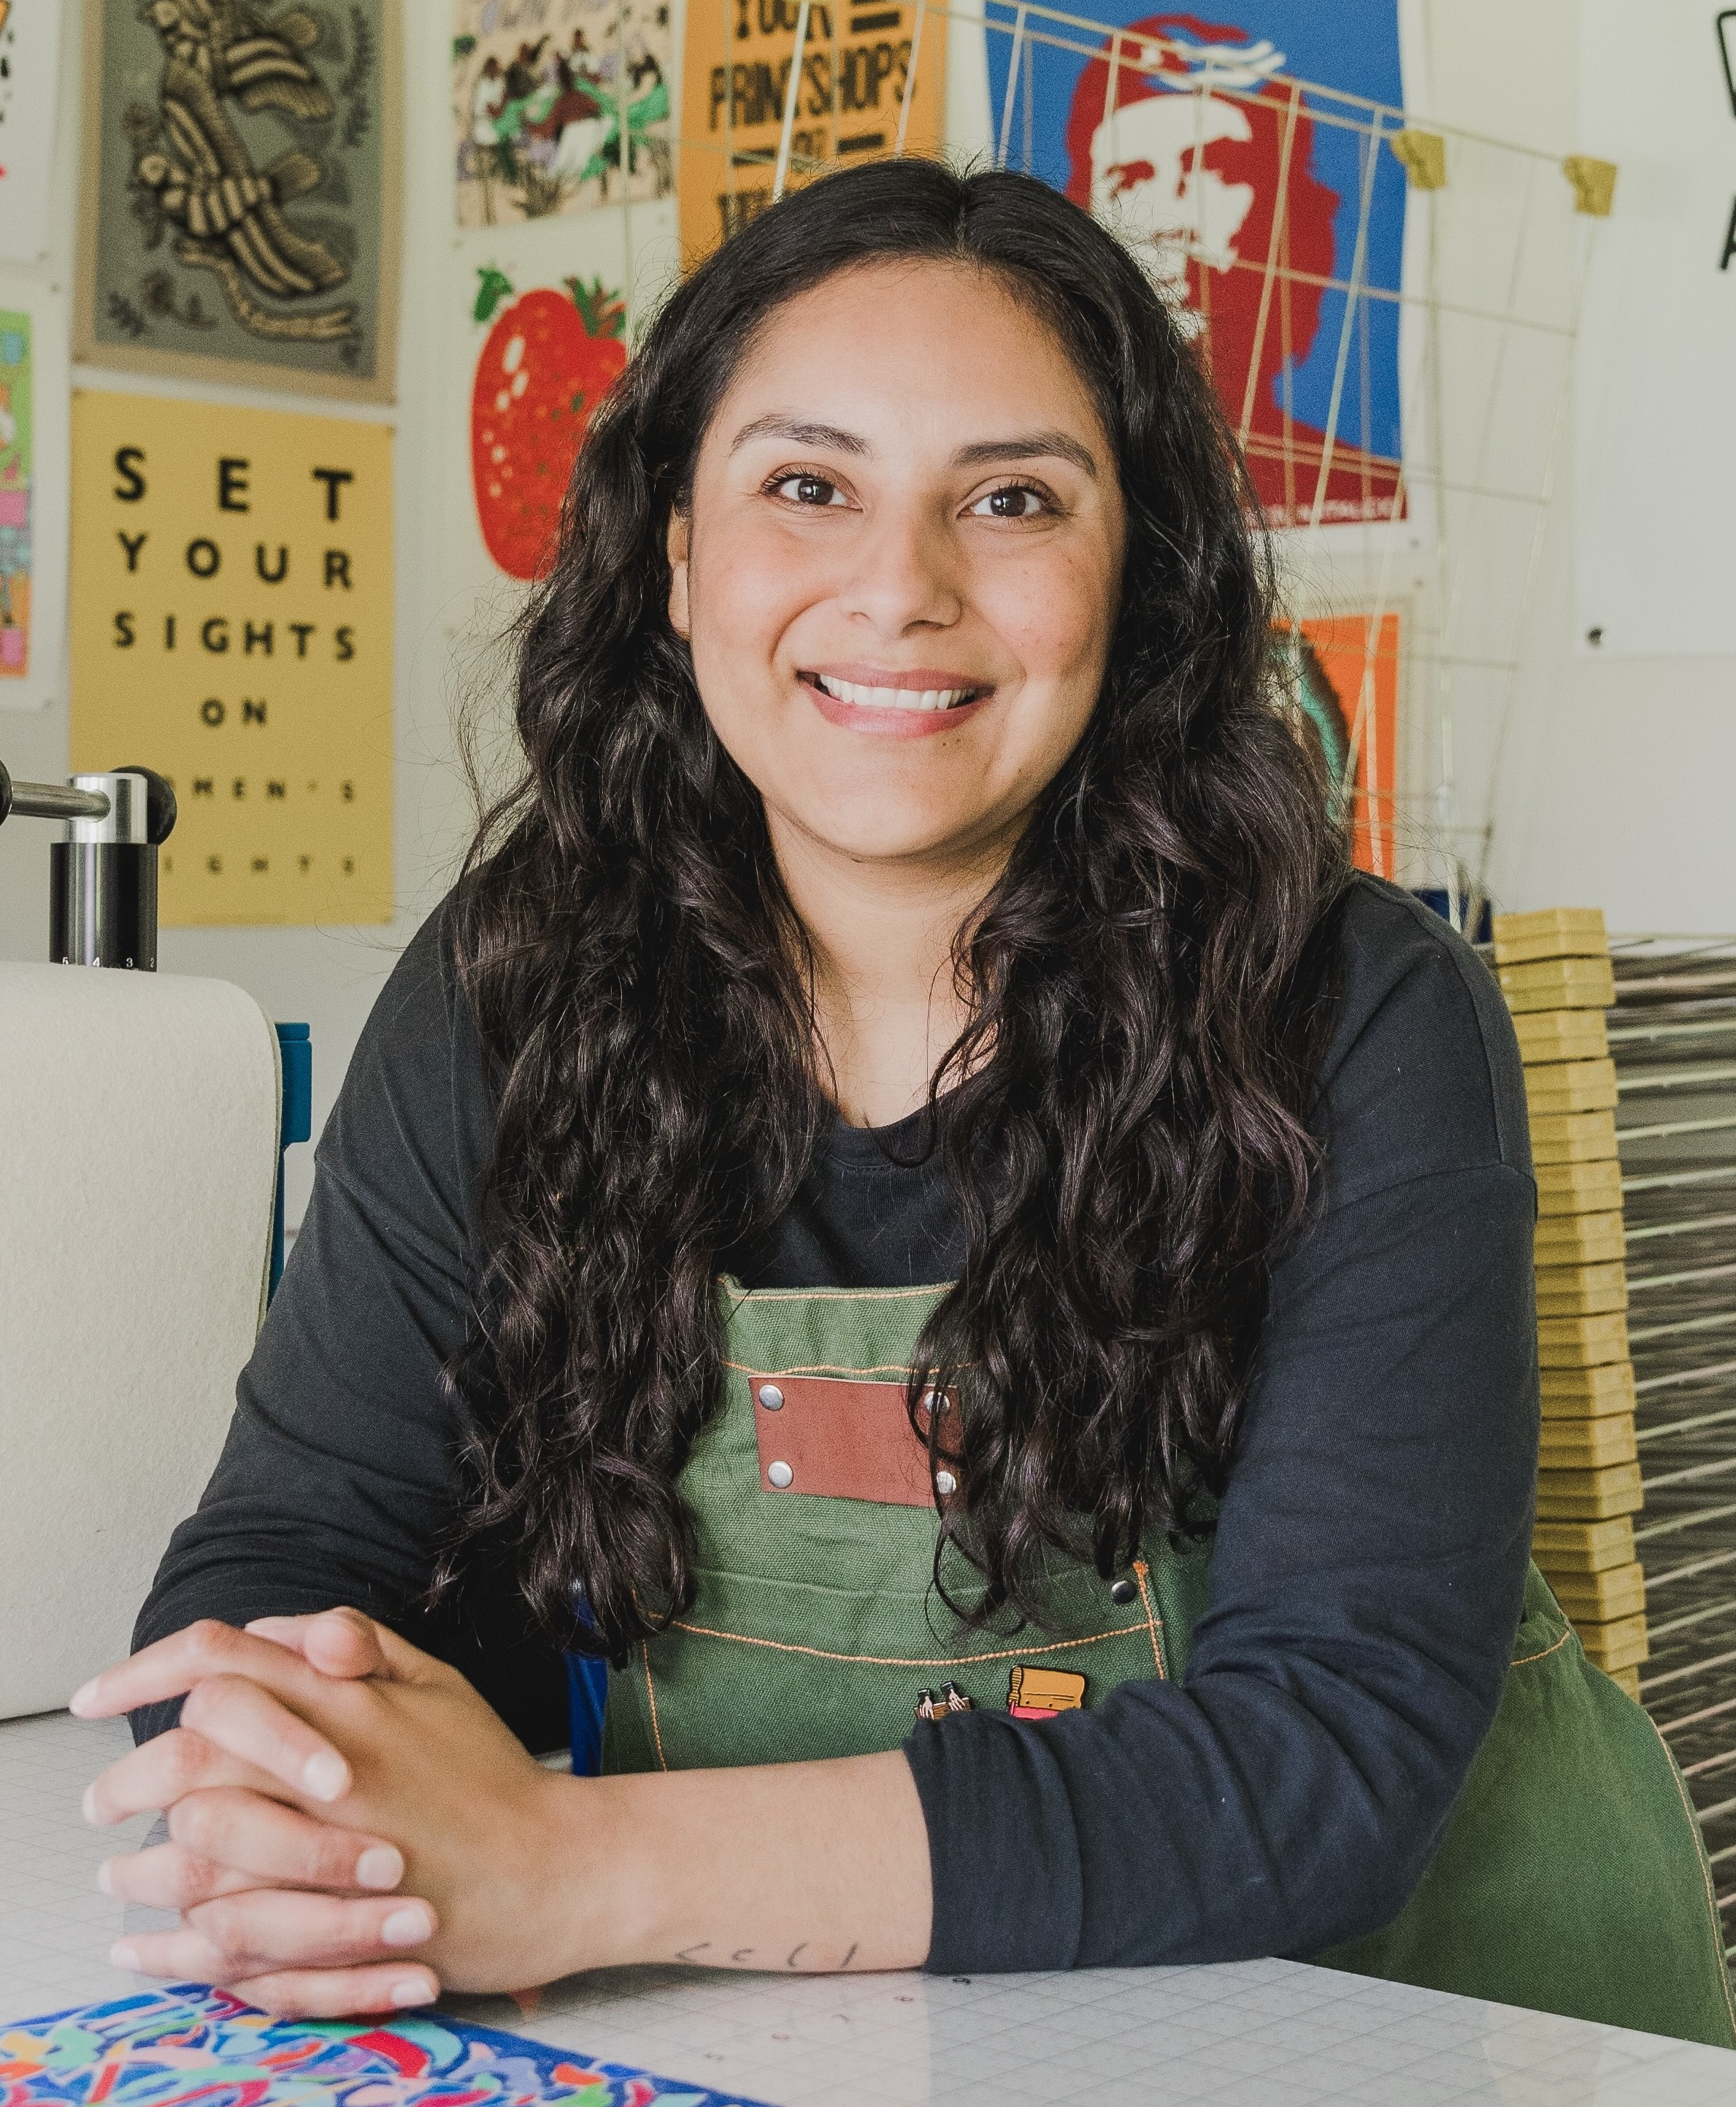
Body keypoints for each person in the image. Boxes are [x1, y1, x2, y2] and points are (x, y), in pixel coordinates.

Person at [74, 161, 1735, 2044]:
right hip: (876, 2041)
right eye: (806, 486)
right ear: (680, 563)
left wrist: (568, 1863)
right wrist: (276, 1784)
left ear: (1140, 572)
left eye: (1012, 498)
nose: (900, 587)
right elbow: (289, 1557)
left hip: (1436, 2025)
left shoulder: (1356, 1011)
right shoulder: (511, 999)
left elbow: (1324, 1758)